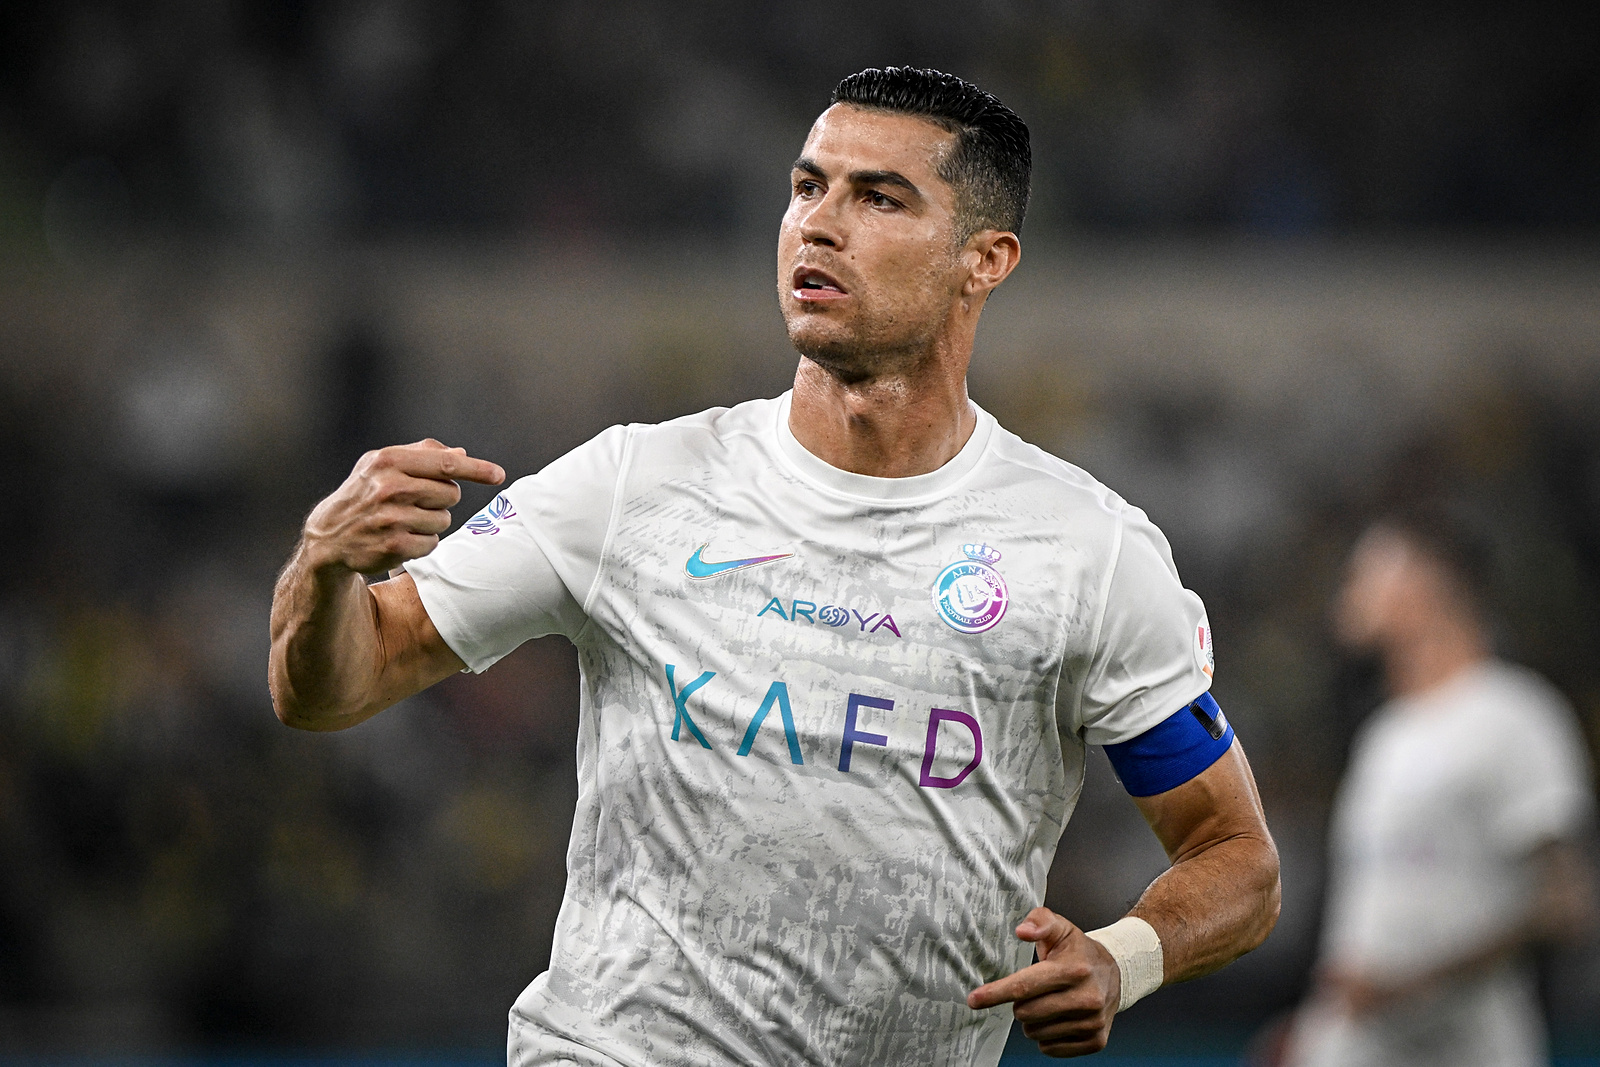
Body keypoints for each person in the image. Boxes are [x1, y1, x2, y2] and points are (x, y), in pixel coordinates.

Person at [269, 67, 1279, 1066]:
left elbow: (1235, 859)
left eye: (877, 197)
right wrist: (323, 570)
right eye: (807, 188)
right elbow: (332, 685)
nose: (818, 223)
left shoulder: (1084, 551)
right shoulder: (634, 484)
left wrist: (1121, 957)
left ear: (986, 259)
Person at [1284, 506, 1597, 1067]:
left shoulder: (1517, 716)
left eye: (1366, 575)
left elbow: (1565, 902)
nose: (1349, 593)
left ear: (1422, 582)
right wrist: (1314, 1024)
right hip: (1354, 1045)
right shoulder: (1385, 733)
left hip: (1466, 1049)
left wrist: (1414, 984)